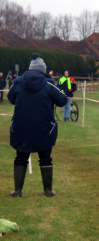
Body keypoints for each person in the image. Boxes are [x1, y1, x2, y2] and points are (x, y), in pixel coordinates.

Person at [7, 53, 68, 197]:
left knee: (20, 157)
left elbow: (10, 98)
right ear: (43, 70)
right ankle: (47, 190)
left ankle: (18, 190)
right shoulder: (48, 84)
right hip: (44, 129)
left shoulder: (18, 82)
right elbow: (63, 100)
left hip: (21, 128)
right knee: (45, 158)